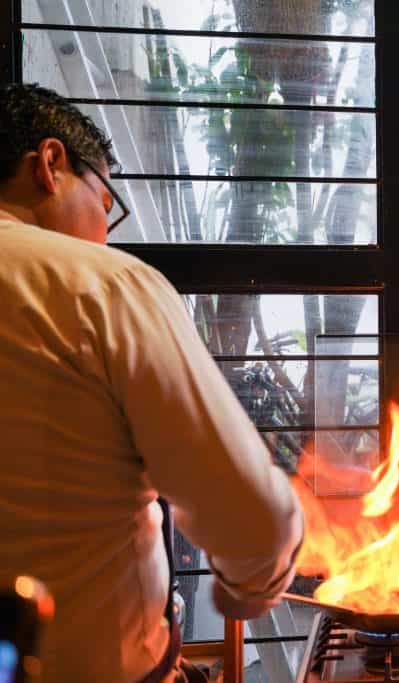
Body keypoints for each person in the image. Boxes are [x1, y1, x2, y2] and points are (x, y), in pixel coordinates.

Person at [0, 83, 304, 682]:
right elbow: (254, 517)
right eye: (106, 200)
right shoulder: (100, 286)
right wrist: (246, 588)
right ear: (51, 164)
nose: (106, 231)